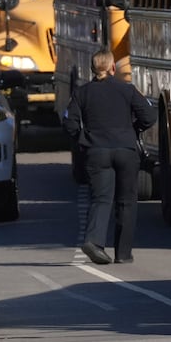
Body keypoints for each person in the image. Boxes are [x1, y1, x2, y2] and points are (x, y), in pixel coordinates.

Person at [66, 50, 157, 265]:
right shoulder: (127, 90)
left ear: (92, 69)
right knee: (126, 201)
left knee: (101, 199)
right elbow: (150, 116)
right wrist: (133, 129)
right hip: (126, 150)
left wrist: (83, 140)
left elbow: (70, 123)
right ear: (113, 68)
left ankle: (94, 242)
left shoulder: (82, 93)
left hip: (96, 152)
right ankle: (123, 254)